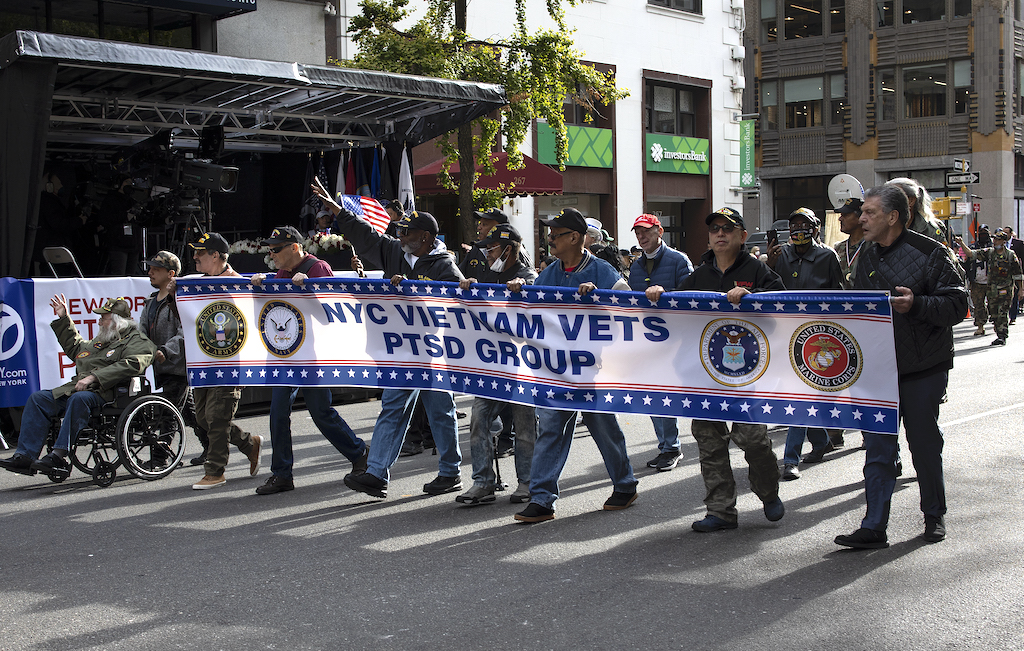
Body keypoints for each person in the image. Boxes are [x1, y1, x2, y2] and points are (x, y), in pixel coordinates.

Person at [311, 178, 465, 499]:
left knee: (440, 411)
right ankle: (376, 474)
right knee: (392, 406)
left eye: (407, 233)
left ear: (425, 237)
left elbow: (455, 307)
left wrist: (413, 291)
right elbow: (367, 237)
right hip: (402, 350)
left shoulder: (446, 267)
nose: (400, 236)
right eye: (400, 231)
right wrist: (339, 212)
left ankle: (450, 472)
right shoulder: (395, 251)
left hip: (434, 352)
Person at [835, 185, 968, 549]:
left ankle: (934, 516)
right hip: (879, 371)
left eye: (869, 213)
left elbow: (958, 305)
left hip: (924, 368)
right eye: (862, 212)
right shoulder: (865, 254)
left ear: (893, 217)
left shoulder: (932, 252)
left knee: (924, 446)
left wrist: (917, 304)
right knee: (878, 450)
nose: (862, 218)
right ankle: (874, 526)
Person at [508, 207, 637, 523]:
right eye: (550, 234)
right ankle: (542, 498)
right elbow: (531, 309)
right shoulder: (549, 273)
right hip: (557, 368)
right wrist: (518, 292)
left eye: (556, 234)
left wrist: (600, 297)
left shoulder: (603, 271)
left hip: (593, 368)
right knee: (551, 427)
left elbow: (628, 307)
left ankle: (625, 485)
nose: (550, 239)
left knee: (602, 426)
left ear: (575, 237)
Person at [676, 207, 787, 532]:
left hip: (748, 375)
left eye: (727, 228)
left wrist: (754, 296)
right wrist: (657, 295)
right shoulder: (699, 275)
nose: (720, 233)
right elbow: (672, 308)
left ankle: (768, 492)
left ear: (742, 235)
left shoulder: (758, 269)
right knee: (709, 443)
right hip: (705, 376)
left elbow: (785, 305)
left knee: (753, 440)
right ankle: (721, 510)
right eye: (714, 229)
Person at [249, 226, 370, 495]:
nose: (271, 254)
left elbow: (333, 311)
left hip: (314, 355)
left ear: (294, 247)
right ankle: (281, 474)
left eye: (276, 249)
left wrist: (310, 290)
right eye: (270, 249)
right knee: (278, 412)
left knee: (320, 412)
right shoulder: (281, 273)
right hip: (287, 354)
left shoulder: (318, 268)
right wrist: (261, 286)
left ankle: (360, 453)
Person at [0, 297, 156, 478]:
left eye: (104, 318)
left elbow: (133, 363)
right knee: (39, 399)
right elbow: (78, 349)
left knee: (79, 399)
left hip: (109, 394)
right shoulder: (103, 340)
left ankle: (58, 455)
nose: (99, 322)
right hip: (82, 389)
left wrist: (94, 377)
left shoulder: (137, 341)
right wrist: (64, 318)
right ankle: (25, 456)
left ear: (117, 321)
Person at [455, 223, 538, 505]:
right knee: (479, 420)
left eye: (492, 249)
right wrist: (469, 288)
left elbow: (537, 303)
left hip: (522, 367)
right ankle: (483, 482)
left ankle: (528, 482)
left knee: (525, 427)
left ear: (508, 249)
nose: (488, 254)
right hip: (491, 367)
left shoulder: (528, 276)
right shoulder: (487, 276)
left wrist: (523, 288)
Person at [766, 207, 844, 480]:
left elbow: (839, 295)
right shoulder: (781, 255)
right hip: (785, 334)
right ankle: (821, 441)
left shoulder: (827, 256)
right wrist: (769, 264)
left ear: (815, 228)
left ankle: (791, 459)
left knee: (799, 396)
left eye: (804, 225)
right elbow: (767, 288)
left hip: (816, 336)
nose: (799, 231)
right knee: (798, 393)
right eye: (794, 226)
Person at [188, 232, 263, 490]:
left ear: (215, 256)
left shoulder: (238, 284)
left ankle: (215, 471)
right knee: (203, 418)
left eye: (200, 252)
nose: (194, 257)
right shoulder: (198, 285)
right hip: (203, 360)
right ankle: (249, 444)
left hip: (230, 362)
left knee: (217, 417)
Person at [626, 213, 694, 471]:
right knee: (651, 394)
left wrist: (666, 295)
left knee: (665, 393)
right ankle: (666, 446)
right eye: (638, 233)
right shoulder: (636, 266)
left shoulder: (678, 260)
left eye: (646, 231)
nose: (641, 236)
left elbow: (691, 296)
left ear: (660, 231)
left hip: (674, 339)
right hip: (647, 340)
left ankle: (672, 447)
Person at [139, 251, 209, 466]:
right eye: (150, 268)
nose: (150, 272)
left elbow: (185, 331)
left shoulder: (179, 300)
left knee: (167, 413)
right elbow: (141, 332)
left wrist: (167, 351)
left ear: (171, 274)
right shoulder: (150, 302)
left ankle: (160, 458)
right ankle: (212, 447)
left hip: (178, 367)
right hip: (160, 367)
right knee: (190, 413)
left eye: (156, 269)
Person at [956, 229, 1024, 346]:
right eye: (994, 239)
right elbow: (971, 254)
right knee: (994, 313)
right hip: (992, 290)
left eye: (998, 240)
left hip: (1006, 289)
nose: (995, 241)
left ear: (1003, 241)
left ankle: (1002, 336)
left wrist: (1021, 290)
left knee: (1002, 312)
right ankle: (999, 333)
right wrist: (961, 243)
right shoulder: (990, 252)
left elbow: (1018, 273)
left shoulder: (1010, 255)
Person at [885, 177, 949, 245]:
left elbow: (943, 251)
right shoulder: (880, 226)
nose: (887, 202)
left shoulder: (931, 231)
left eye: (894, 197)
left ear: (911, 201)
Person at [963, 224, 993, 336]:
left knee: (993, 304)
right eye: (981, 233)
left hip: (991, 281)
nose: (983, 235)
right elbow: (966, 263)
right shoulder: (972, 248)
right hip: (977, 281)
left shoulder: (993, 248)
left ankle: (996, 323)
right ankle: (980, 325)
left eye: (985, 233)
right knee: (978, 304)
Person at [836, 198, 865, 287]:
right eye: (841, 215)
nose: (840, 219)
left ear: (860, 218)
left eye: (845, 215)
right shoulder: (838, 248)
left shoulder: (872, 247)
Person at [1001, 226, 1024, 324]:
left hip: (1014, 274)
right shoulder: (1000, 243)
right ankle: (1002, 316)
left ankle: (1013, 316)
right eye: (1004, 232)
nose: (1005, 234)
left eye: (1007, 232)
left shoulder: (1019, 244)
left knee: (1013, 295)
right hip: (1001, 275)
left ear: (1011, 233)